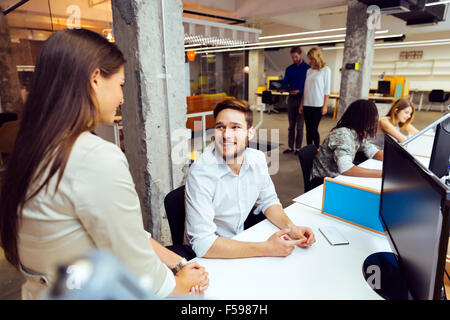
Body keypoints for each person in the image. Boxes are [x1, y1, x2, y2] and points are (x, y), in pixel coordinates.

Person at [0, 29, 208, 300]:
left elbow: (119, 229)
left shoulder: (33, 146)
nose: (122, 98)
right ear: (95, 78)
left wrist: (175, 261)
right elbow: (138, 267)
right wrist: (178, 283)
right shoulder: (94, 157)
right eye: (120, 83)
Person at [184, 99, 316, 259]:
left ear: (250, 132)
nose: (226, 135)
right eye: (220, 127)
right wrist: (267, 248)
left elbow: (269, 201)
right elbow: (203, 244)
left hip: (241, 238)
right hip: (211, 254)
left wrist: (291, 228)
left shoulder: (257, 159)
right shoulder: (201, 173)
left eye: (235, 127)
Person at [310, 99, 384, 187]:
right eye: (373, 118)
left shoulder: (357, 132)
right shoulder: (342, 135)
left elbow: (373, 152)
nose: (375, 121)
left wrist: (392, 162)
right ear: (363, 119)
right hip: (323, 182)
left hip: (338, 177)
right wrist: (383, 174)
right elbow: (346, 168)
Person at [299, 47, 331, 149]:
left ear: (317, 57)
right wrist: (301, 104)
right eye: (309, 59)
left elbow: (327, 90)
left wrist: (325, 106)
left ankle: (317, 149)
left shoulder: (326, 70)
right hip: (307, 104)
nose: (310, 61)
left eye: (311, 59)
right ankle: (309, 148)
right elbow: (306, 89)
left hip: (318, 104)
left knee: (313, 129)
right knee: (308, 129)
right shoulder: (309, 71)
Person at [281, 46, 310, 155]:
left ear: (301, 55)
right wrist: (283, 88)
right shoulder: (289, 69)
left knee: (300, 126)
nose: (294, 59)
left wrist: (299, 91)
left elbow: (308, 86)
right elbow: (285, 82)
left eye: (296, 57)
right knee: (291, 126)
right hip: (291, 99)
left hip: (302, 99)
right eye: (292, 57)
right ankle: (290, 147)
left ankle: (298, 148)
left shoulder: (308, 69)